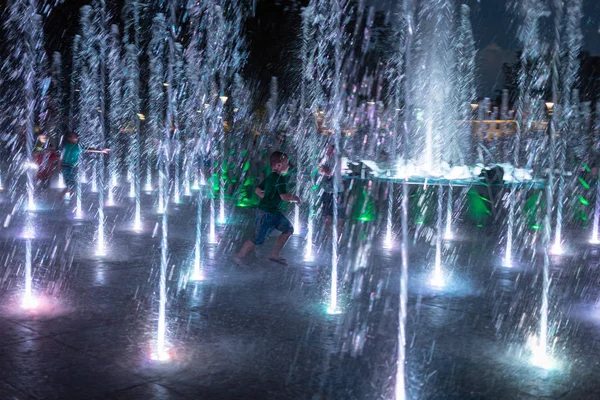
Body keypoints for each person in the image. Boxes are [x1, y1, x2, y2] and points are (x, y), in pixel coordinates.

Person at [234, 151, 300, 266]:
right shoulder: (280, 179)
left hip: (273, 212)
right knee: (258, 239)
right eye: (287, 163)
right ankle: (238, 256)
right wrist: (295, 198)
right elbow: (284, 197)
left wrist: (268, 197)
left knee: (288, 229)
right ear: (279, 165)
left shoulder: (270, 177)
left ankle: (274, 254)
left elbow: (258, 190)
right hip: (266, 214)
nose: (289, 165)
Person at [58, 132, 109, 200]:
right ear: (69, 138)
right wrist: (59, 167)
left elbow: (89, 149)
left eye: (76, 136)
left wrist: (101, 151)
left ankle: (65, 199)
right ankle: (61, 198)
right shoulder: (66, 146)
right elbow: (61, 158)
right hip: (66, 167)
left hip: (70, 167)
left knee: (72, 185)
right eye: (74, 136)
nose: (76, 137)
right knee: (71, 185)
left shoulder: (78, 146)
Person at [319, 144, 345, 235]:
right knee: (327, 214)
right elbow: (321, 170)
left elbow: (329, 172)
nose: (327, 151)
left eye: (329, 148)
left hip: (337, 191)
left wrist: (322, 167)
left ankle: (337, 238)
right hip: (327, 191)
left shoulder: (336, 158)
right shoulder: (326, 158)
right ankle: (329, 236)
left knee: (339, 215)